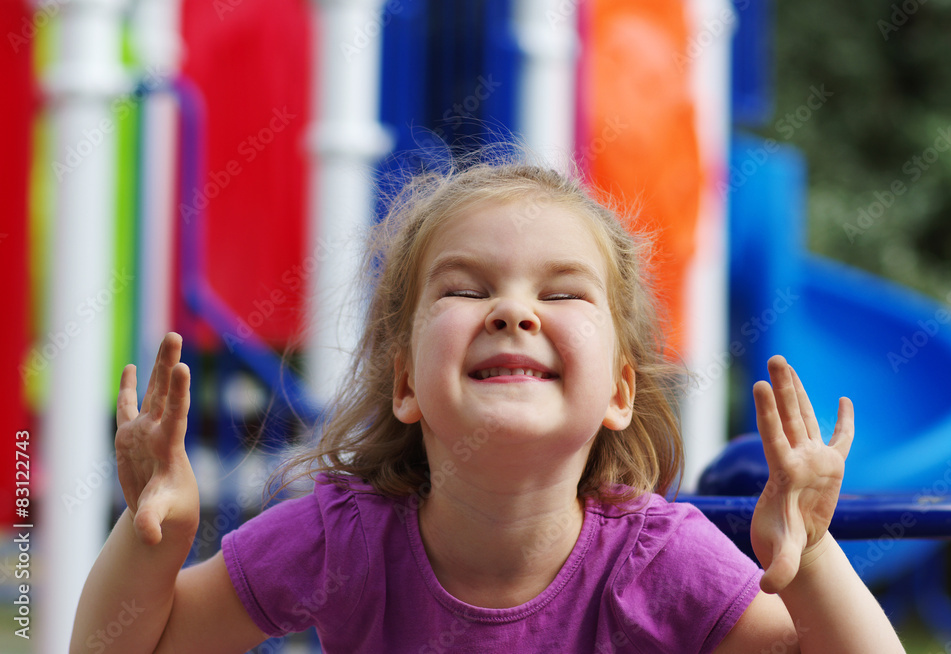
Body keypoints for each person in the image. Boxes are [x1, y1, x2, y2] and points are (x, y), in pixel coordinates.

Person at [71, 162, 904, 653]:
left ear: (618, 390)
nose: (513, 312)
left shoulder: (658, 563)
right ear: (405, 384)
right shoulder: (343, 538)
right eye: (467, 289)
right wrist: (156, 537)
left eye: (562, 292)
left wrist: (816, 557)